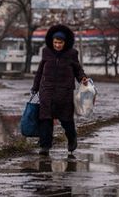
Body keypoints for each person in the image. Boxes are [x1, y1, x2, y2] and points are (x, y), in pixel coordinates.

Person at [31, 24, 88, 156]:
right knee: (45, 119)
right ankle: (45, 146)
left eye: (60, 42)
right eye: (55, 42)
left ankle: (72, 138)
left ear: (65, 42)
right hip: (47, 91)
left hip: (65, 92)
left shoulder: (72, 54)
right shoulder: (46, 52)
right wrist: (35, 87)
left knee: (66, 119)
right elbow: (40, 71)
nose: (57, 45)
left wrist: (83, 78)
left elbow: (78, 70)